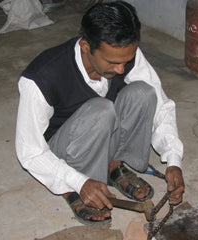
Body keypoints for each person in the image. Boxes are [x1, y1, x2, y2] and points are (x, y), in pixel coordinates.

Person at [15, 0, 184, 226]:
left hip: (101, 135)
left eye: (126, 61)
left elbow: (161, 105)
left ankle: (112, 165)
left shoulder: (124, 54)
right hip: (62, 152)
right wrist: (77, 181)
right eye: (113, 62)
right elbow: (30, 152)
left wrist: (174, 160)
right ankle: (72, 190)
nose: (121, 70)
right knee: (100, 109)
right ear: (86, 47)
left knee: (144, 93)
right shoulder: (42, 77)